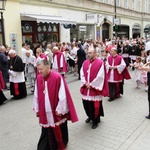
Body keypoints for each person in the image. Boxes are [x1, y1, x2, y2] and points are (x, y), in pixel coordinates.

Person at [33, 59, 78, 150]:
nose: (39, 71)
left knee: (60, 127)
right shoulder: (39, 78)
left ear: (48, 67)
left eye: (41, 69)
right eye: (38, 69)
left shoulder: (57, 77)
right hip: (44, 109)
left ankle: (62, 142)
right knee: (47, 129)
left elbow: (62, 95)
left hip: (55, 109)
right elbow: (36, 93)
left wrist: (59, 109)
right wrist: (37, 108)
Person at [80, 49, 108, 129]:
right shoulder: (85, 62)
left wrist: (92, 85)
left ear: (95, 53)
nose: (88, 54)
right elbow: (82, 73)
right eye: (88, 53)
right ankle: (89, 116)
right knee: (86, 104)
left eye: (90, 53)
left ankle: (95, 120)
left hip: (94, 88)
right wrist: (85, 83)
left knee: (94, 106)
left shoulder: (100, 63)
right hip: (86, 87)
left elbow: (100, 76)